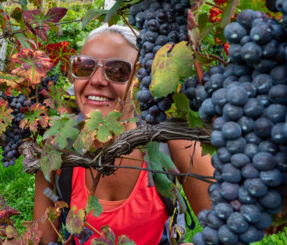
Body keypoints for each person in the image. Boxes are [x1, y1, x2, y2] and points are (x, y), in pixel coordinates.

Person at [33, 24, 214, 245]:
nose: (97, 80)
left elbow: (228, 228)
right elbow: (44, 240)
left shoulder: (172, 139)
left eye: (117, 70)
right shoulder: (58, 146)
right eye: (84, 67)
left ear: (143, 79)